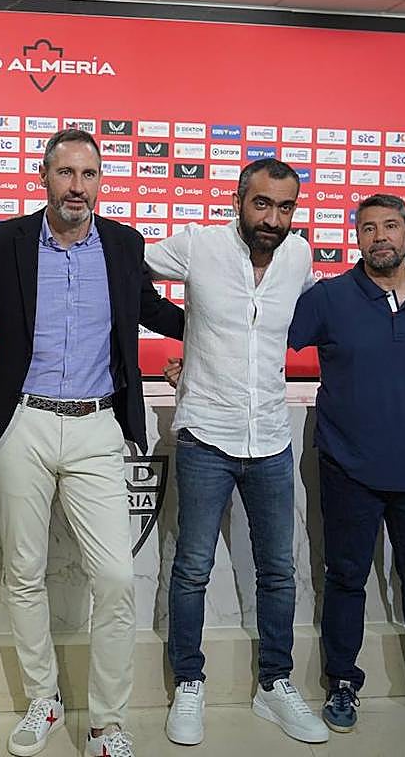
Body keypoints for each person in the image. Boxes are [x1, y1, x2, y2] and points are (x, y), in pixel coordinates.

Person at [0, 128, 184, 757]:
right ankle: (43, 700)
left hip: (98, 425)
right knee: (24, 573)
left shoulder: (122, 244)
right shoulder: (3, 243)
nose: (77, 186)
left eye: (88, 174)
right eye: (65, 173)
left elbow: (152, 310)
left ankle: (108, 722)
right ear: (44, 176)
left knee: (114, 577)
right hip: (22, 421)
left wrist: (221, 326)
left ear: (100, 181)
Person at [149, 158, 327, 746]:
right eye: (261, 204)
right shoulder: (197, 246)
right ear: (237, 201)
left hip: (272, 438)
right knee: (192, 569)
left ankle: (275, 684)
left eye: (284, 207)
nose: (272, 218)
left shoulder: (299, 257)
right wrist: (187, 352)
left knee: (279, 570)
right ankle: (189, 683)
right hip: (205, 434)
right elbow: (123, 261)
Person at [288, 194, 405, 732]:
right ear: (358, 238)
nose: (380, 237)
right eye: (368, 229)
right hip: (347, 465)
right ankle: (342, 683)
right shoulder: (328, 299)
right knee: (345, 578)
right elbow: (261, 340)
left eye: (390, 226)